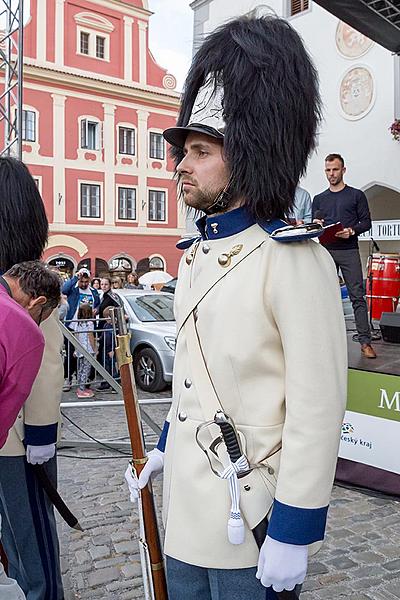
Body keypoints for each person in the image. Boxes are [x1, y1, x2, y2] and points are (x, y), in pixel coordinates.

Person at [125, 15, 347, 600]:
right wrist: (165, 452)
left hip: (249, 515)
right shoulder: (195, 256)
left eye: (200, 151)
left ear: (244, 156)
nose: (181, 166)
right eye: (184, 152)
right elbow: (194, 387)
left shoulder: (294, 260)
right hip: (191, 512)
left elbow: (316, 409)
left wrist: (294, 530)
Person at [0, 155, 65, 600]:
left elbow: (44, 364)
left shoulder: (24, 283)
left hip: (21, 437)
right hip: (14, 434)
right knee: (21, 536)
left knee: (26, 535)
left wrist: (40, 432)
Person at [312, 154, 376, 358]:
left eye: (335, 169)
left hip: (349, 251)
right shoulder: (319, 199)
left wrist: (351, 231)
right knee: (325, 298)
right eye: (328, 170)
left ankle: (365, 342)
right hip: (326, 251)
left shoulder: (356, 195)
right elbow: (315, 224)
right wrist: (317, 225)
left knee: (357, 296)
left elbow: (366, 222)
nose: (331, 174)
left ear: (343, 170)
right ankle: (325, 344)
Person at [62, 268, 100, 389]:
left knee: (86, 356)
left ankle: (82, 379)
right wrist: (75, 278)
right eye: (82, 281)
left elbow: (98, 303)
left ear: (89, 280)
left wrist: (96, 310)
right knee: (71, 354)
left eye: (86, 282)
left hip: (87, 326)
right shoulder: (74, 289)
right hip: (72, 326)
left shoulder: (93, 292)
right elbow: (64, 289)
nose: (83, 284)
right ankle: (67, 378)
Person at [70, 304, 97, 398]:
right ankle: (81, 389)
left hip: (80, 349)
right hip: (88, 349)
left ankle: (81, 387)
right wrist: (94, 349)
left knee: (81, 369)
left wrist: (75, 349)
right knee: (86, 369)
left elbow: (76, 335)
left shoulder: (78, 322)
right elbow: (90, 336)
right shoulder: (90, 323)